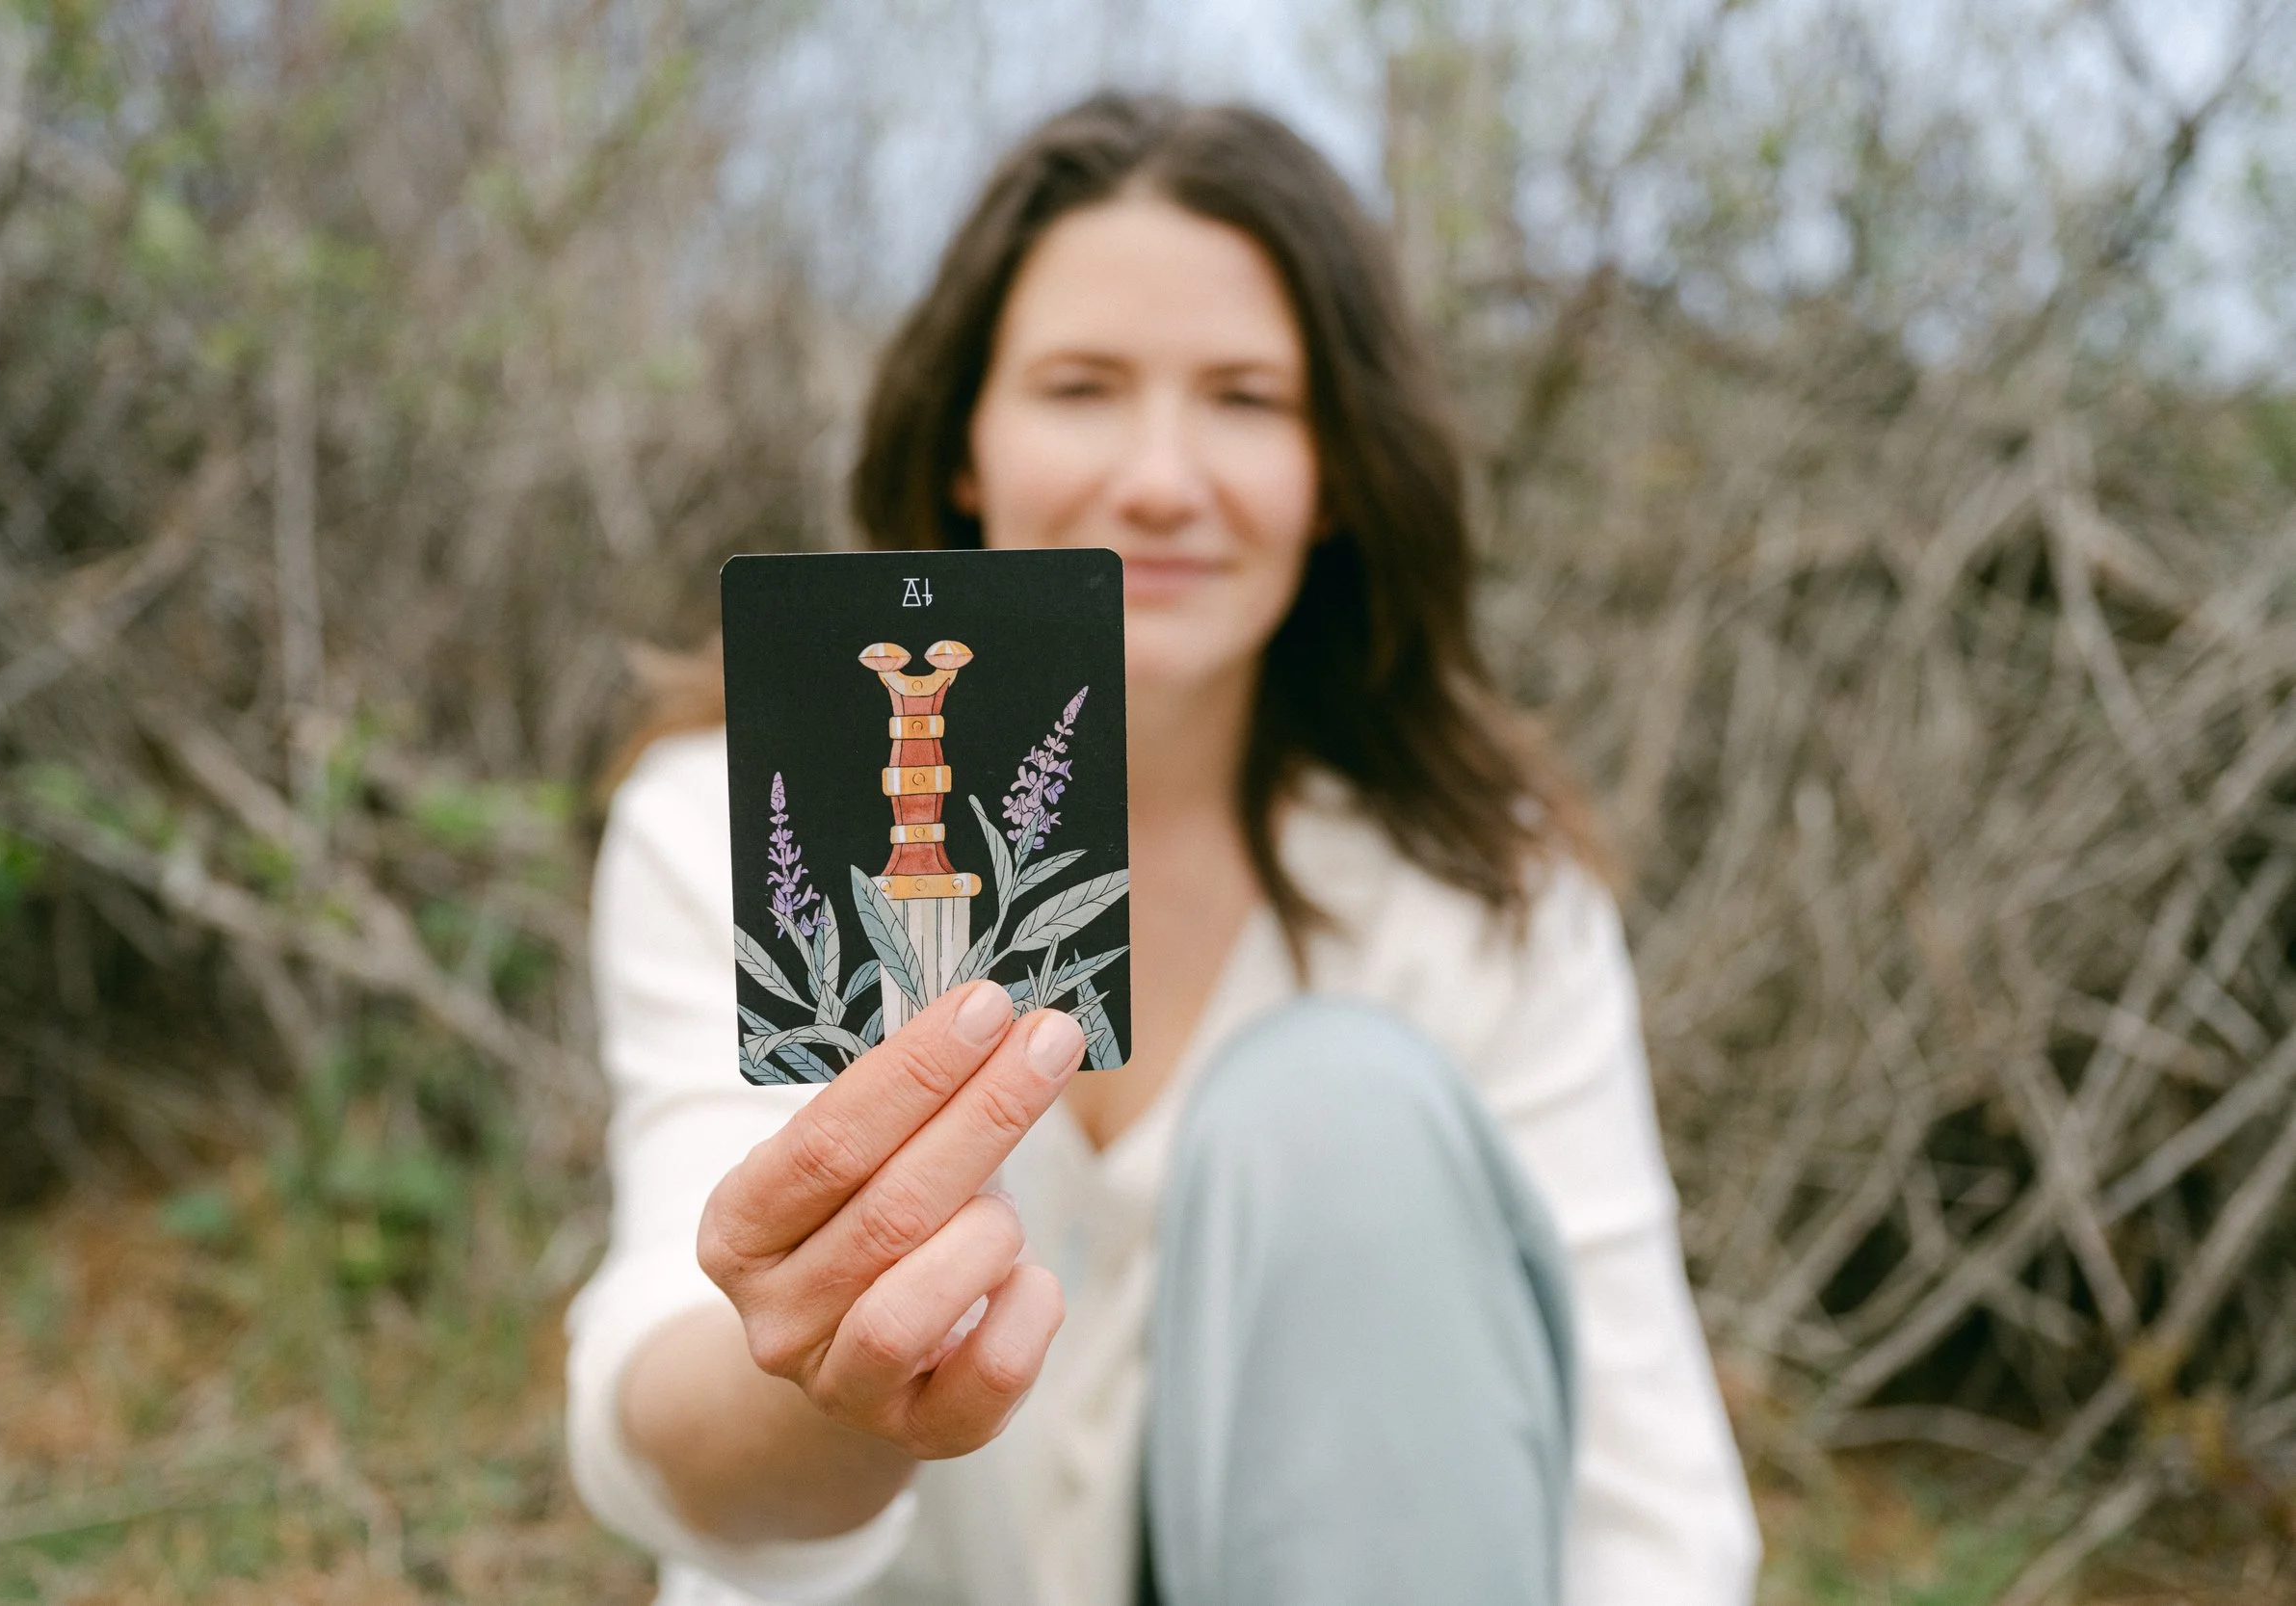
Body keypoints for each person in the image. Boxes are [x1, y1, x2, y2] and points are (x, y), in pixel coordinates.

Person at [567, 92, 1760, 1606]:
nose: (1161, 478)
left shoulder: (1481, 892)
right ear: (965, 443)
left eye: (1248, 399)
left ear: (1337, 470)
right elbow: (660, 1410)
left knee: (1342, 1108)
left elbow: (1646, 1513)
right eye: (1081, 387)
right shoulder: (751, 821)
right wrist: (823, 1377)